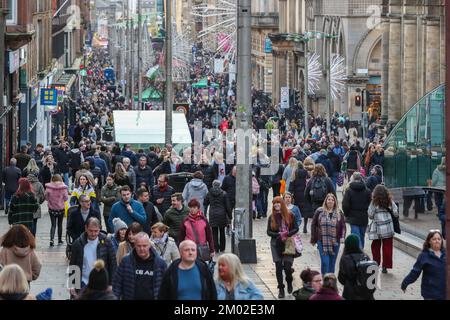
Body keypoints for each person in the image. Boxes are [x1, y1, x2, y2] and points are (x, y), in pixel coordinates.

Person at [112, 232, 167, 300]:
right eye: (139, 246)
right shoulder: (126, 261)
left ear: (149, 245)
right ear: (134, 245)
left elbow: (167, 287)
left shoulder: (160, 263)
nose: (142, 248)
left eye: (144, 246)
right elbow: (117, 285)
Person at [69, 217, 116, 290]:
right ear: (86, 228)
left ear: (99, 229)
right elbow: (73, 265)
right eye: (91, 231)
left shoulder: (107, 242)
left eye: (96, 231)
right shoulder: (78, 243)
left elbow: (113, 264)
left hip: (101, 283)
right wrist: (72, 285)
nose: (93, 234)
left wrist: (111, 284)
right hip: (83, 283)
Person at [266, 196, 299, 298]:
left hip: (288, 243)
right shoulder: (271, 217)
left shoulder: (290, 215)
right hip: (276, 244)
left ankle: (289, 281)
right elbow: (268, 232)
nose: (276, 205)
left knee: (288, 267)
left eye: (278, 203)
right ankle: (281, 288)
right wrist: (278, 235)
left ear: (282, 204)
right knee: (278, 266)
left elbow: (296, 228)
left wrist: (287, 234)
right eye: (274, 203)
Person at [401, 230, 446, 300]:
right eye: (434, 239)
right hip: (430, 293)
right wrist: (405, 283)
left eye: (439, 239)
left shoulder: (446, 254)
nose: (437, 241)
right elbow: (415, 272)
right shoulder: (424, 256)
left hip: (445, 293)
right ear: (429, 241)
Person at [310, 193, 346, 275]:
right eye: (329, 199)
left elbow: (343, 226)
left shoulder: (339, 212)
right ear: (326, 201)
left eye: (332, 200)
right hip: (322, 241)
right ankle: (325, 278)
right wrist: (313, 238)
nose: (330, 201)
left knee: (332, 263)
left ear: (335, 202)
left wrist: (342, 237)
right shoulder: (319, 211)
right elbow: (313, 224)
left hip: (335, 241)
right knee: (325, 262)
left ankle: (330, 281)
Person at [368, 185, 398, 274]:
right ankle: (385, 266)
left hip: (377, 228)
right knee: (387, 247)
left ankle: (376, 263)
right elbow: (396, 213)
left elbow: (370, 214)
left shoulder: (374, 203)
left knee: (375, 246)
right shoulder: (390, 201)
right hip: (388, 227)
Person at [338, 234, 375, 300]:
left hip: (350, 293)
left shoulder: (345, 259)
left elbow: (341, 279)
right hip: (366, 293)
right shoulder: (366, 257)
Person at [342, 172, 372, 249]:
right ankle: (361, 251)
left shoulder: (349, 190)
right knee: (362, 235)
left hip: (353, 217)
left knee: (356, 236)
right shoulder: (367, 191)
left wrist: (346, 214)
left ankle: (358, 253)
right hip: (364, 216)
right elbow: (370, 203)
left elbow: (345, 205)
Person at [204, 180, 232, 253]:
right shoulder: (224, 193)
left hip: (212, 214)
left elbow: (205, 202)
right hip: (222, 214)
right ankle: (222, 248)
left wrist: (204, 214)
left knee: (214, 232)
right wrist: (230, 216)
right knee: (222, 231)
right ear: (220, 185)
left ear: (213, 185)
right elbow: (227, 206)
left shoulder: (209, 193)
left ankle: (216, 248)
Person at [289, 162, 314, 234]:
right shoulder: (306, 173)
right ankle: (305, 227)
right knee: (305, 211)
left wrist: (290, 193)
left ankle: (296, 226)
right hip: (305, 194)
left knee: (296, 211)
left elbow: (291, 186)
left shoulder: (294, 174)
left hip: (297, 195)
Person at [45, 174, 69, 246]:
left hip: (51, 208)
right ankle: (59, 240)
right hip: (61, 208)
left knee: (53, 225)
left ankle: (51, 240)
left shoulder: (48, 187)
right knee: (60, 224)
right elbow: (66, 198)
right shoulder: (63, 188)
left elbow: (46, 197)